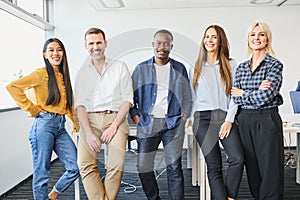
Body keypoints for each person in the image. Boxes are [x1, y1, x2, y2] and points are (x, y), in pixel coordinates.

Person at [6, 38, 80, 200]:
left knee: (75, 167)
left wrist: (76, 125)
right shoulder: (41, 74)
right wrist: (32, 109)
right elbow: (12, 87)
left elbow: (68, 105)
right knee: (42, 173)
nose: (56, 53)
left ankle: (53, 195)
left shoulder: (63, 76)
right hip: (43, 125)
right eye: (51, 50)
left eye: (59, 49)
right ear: (45, 54)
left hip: (60, 127)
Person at [130, 29, 192, 200]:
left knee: (174, 167)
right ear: (153, 45)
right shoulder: (141, 69)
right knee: (144, 166)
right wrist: (136, 116)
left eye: (166, 43)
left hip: (172, 123)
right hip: (147, 123)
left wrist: (184, 116)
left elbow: (188, 96)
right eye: (159, 43)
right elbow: (129, 96)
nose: (162, 47)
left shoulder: (179, 68)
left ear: (171, 46)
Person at [75, 27, 133, 200]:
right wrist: (89, 133)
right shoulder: (82, 73)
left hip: (116, 118)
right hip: (90, 120)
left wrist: (114, 126)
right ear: (86, 46)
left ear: (105, 44)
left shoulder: (120, 67)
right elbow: (80, 106)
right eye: (91, 43)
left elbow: (127, 100)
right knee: (84, 163)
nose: (95, 46)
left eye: (98, 42)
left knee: (116, 164)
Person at [190, 25, 244, 200]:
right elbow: (191, 96)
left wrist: (229, 120)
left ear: (220, 40)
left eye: (213, 37)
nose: (209, 40)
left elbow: (234, 96)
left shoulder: (231, 64)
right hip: (203, 118)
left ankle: (227, 197)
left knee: (237, 159)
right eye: (207, 37)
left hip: (224, 117)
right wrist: (191, 118)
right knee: (214, 165)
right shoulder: (196, 66)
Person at [231, 22, 284, 200]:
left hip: (267, 118)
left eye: (261, 34)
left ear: (267, 39)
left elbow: (266, 97)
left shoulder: (274, 65)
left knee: (270, 168)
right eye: (253, 35)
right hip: (244, 119)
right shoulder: (241, 68)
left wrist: (244, 92)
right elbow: (235, 97)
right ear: (248, 40)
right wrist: (254, 92)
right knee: (252, 168)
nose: (256, 38)